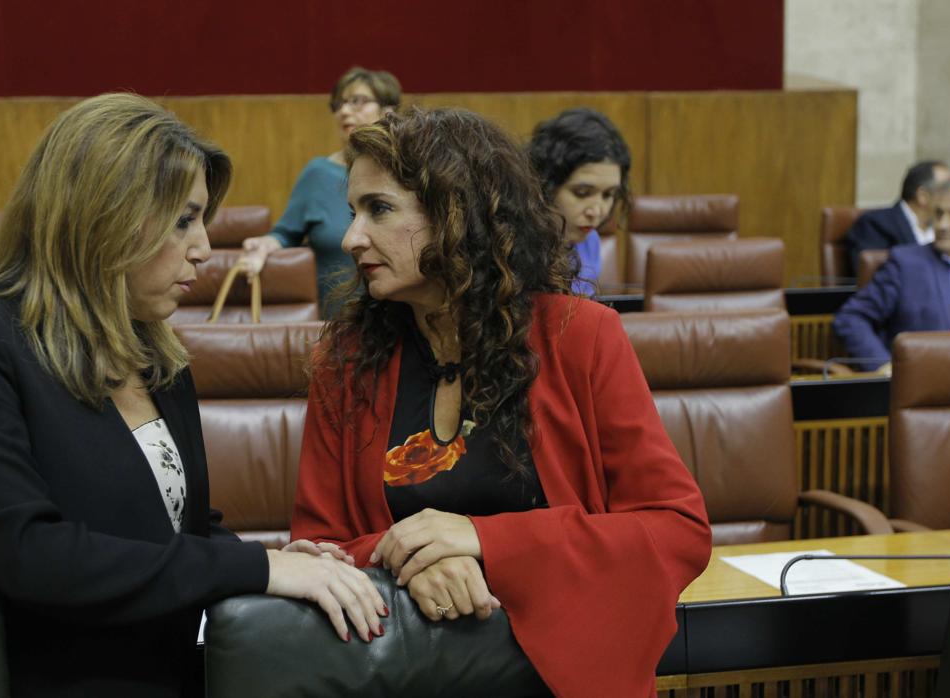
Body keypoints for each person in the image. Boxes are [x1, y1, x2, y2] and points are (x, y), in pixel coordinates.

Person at [0, 93, 385, 698]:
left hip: (178, 670)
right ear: (104, 214)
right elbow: (29, 555)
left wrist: (293, 562)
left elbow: (181, 533)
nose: (205, 248)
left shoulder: (155, 352)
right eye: (183, 219)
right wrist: (259, 568)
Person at [289, 107, 711, 697]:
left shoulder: (580, 337)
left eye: (379, 209)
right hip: (402, 671)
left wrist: (486, 542)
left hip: (557, 674)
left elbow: (676, 530)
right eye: (353, 211)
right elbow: (318, 546)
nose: (352, 237)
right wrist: (418, 563)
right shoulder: (345, 358)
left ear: (456, 214)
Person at [239, 66, 401, 317]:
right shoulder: (318, 174)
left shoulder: (407, 174)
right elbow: (285, 234)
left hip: (403, 321)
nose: (345, 111)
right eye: (339, 104)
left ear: (388, 110)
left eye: (358, 102)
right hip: (339, 327)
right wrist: (263, 246)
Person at [834, 174, 950, 372]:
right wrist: (882, 365)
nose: (942, 225)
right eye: (938, 214)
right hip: (933, 386)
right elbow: (851, 318)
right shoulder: (907, 264)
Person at [527, 107, 632, 294]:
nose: (597, 212)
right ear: (544, 184)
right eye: (582, 193)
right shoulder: (511, 246)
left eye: (608, 195)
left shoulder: (589, 241)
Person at [845, 159, 950, 272]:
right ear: (923, 196)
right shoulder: (874, 224)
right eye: (948, 190)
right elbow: (875, 277)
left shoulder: (945, 227)